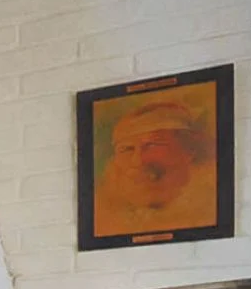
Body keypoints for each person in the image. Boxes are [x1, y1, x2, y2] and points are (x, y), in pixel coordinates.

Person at [94, 98, 219, 237]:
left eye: (153, 145)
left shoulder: (207, 210)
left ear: (188, 150)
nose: (137, 161)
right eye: (126, 149)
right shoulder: (109, 216)